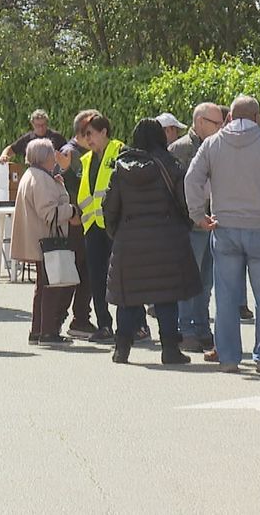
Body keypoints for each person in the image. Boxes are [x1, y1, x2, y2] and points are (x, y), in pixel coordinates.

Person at [185, 95, 260, 374]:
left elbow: (192, 178)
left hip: (225, 229)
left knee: (226, 296)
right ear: (258, 118)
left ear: (230, 117)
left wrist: (198, 214)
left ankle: (229, 357)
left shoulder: (212, 143)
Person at [104, 119, 200, 365]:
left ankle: (121, 349)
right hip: (167, 240)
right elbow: (184, 202)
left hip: (129, 242)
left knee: (127, 299)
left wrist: (120, 234)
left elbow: (110, 208)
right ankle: (170, 350)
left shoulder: (121, 168)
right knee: (166, 297)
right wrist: (183, 227)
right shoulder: (170, 166)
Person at [169, 102, 225, 353]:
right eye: (216, 123)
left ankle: (202, 328)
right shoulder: (180, 150)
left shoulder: (219, 146)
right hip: (189, 226)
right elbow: (174, 191)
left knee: (206, 282)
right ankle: (186, 329)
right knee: (188, 281)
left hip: (213, 224)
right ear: (200, 121)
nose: (221, 127)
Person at [13, 138, 78, 345]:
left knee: (42, 286)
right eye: (52, 154)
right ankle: (48, 332)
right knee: (51, 286)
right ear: (44, 158)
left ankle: (38, 330)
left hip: (37, 239)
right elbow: (49, 213)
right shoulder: (41, 179)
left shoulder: (31, 175)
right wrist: (73, 210)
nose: (55, 158)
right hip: (47, 240)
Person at [77, 113, 123, 343]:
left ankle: (136, 324)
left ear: (104, 131)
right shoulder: (86, 160)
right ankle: (104, 324)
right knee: (96, 277)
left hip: (114, 225)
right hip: (93, 226)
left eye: (91, 134)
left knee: (123, 275)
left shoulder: (119, 151)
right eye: (85, 135)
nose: (88, 139)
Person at [54, 111, 98, 339]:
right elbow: (65, 187)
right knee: (74, 273)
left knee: (83, 273)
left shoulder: (82, 154)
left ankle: (78, 319)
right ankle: (64, 320)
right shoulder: (70, 154)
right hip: (74, 225)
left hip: (82, 223)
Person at [0, 109, 66, 162]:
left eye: (43, 125)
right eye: (38, 125)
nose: (41, 128)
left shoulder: (56, 137)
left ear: (47, 123)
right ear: (32, 124)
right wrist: (4, 155)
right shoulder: (27, 139)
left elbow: (67, 152)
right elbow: (11, 149)